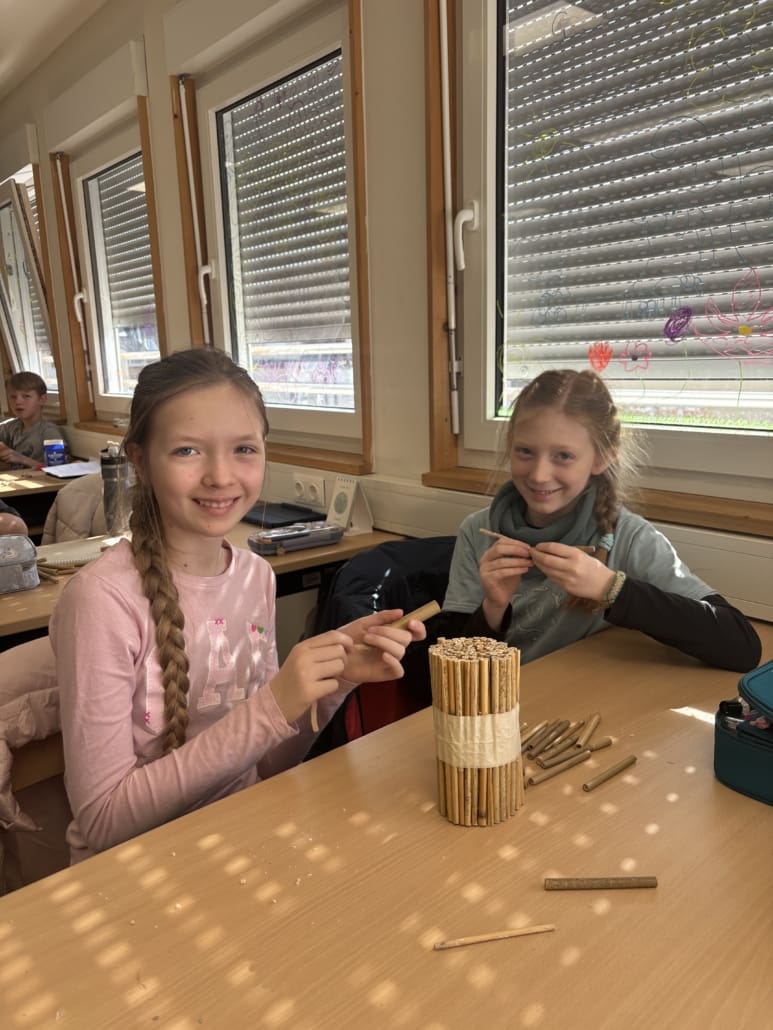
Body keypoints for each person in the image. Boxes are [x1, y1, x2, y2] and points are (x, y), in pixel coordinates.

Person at [50, 348, 425, 863]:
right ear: (140, 460)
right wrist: (270, 707)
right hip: (134, 872)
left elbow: (266, 767)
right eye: (187, 450)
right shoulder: (100, 601)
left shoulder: (256, 576)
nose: (221, 476)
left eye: (244, 449)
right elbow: (103, 820)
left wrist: (333, 682)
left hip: (241, 842)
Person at [437, 369, 761, 673]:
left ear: (603, 458)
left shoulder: (627, 537)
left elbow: (741, 644)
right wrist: (493, 608)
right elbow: (450, 670)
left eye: (564, 456)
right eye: (525, 451)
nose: (539, 474)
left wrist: (610, 588)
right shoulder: (476, 532)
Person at [0, 371, 65, 470]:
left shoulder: (49, 432)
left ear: (42, 399)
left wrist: (22, 459)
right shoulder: (10, 427)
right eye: (13, 397)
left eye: (26, 396)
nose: (18, 401)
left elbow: (59, 470)